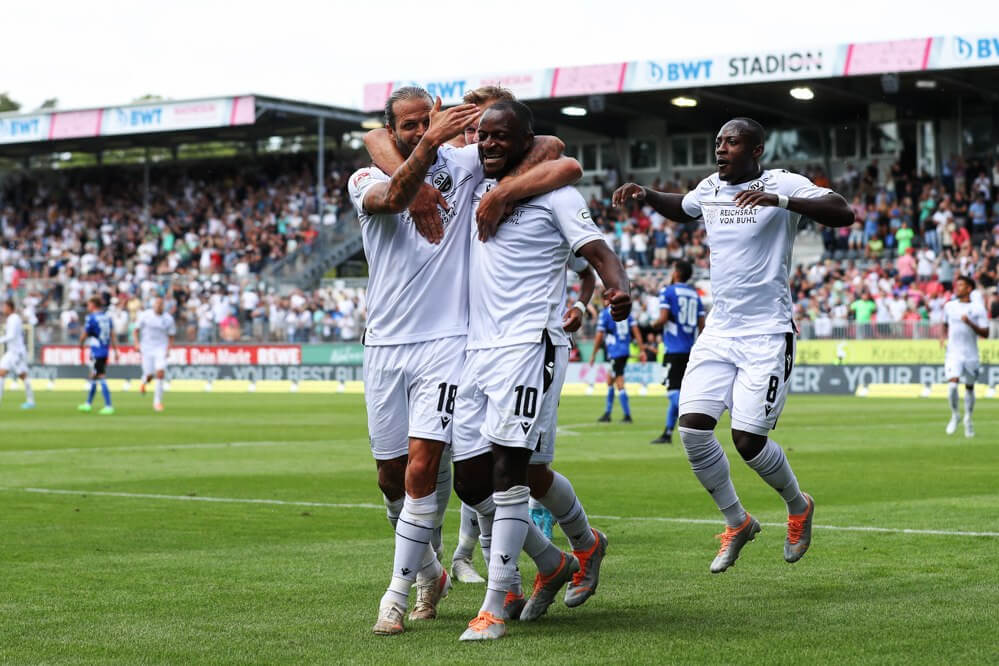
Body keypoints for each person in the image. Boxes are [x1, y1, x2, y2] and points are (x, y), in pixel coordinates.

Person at [355, 87, 583, 636]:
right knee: (393, 478)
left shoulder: (465, 162)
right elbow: (385, 182)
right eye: (404, 126)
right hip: (384, 344)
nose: (415, 132)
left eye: (423, 123)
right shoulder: (365, 177)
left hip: (450, 343)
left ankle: (395, 594)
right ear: (392, 131)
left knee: (424, 468)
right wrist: (421, 163)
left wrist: (502, 194)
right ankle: (448, 568)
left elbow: (557, 151)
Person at [613, 117, 853, 574]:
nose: (721, 149)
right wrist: (646, 195)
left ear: (756, 150)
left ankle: (798, 505)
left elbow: (843, 211)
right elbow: (682, 207)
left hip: (767, 332)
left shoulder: (783, 183)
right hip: (719, 331)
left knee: (747, 441)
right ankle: (737, 521)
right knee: (693, 429)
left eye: (732, 142)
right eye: (718, 141)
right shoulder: (709, 187)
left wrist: (779, 201)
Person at [451, 100, 630, 640]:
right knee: (474, 479)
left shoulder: (557, 194)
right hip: (478, 350)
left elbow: (596, 251)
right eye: (482, 135)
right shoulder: (476, 188)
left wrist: (617, 288)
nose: (488, 144)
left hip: (531, 344)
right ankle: (567, 554)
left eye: (500, 136)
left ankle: (495, 603)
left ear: (526, 141)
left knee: (509, 472)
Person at [650, 260, 705, 444]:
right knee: (678, 389)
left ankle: (694, 417)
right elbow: (702, 325)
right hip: (689, 349)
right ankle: (667, 433)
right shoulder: (695, 295)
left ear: (676, 272)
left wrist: (652, 324)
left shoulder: (668, 291)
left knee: (673, 392)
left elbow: (663, 318)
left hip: (673, 349)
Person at [941, 275, 989, 438]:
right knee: (952, 385)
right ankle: (955, 415)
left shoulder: (978, 309)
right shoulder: (949, 306)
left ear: (969, 289)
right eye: (957, 284)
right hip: (953, 353)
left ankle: (968, 418)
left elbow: (986, 332)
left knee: (969, 387)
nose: (957, 287)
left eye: (961, 285)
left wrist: (970, 323)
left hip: (971, 354)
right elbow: (944, 323)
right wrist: (942, 337)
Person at [588, 306, 645, 423]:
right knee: (610, 381)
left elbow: (599, 335)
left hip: (615, 351)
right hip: (623, 351)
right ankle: (608, 413)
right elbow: (636, 331)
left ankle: (626, 415)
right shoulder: (626, 311)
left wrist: (594, 353)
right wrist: (642, 349)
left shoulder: (605, 313)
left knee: (619, 381)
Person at [135, 297, 176, 412]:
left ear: (164, 305)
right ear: (153, 305)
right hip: (146, 348)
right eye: (157, 304)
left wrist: (169, 348)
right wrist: (137, 343)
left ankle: (157, 402)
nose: (159, 306)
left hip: (160, 348)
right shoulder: (145, 315)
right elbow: (136, 330)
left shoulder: (168, 319)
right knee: (149, 375)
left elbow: (171, 335)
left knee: (160, 372)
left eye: (161, 304)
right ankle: (144, 381)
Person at [78, 296, 116, 414]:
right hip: (104, 350)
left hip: (97, 350)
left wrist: (81, 344)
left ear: (94, 305)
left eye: (89, 304)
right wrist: (115, 350)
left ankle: (109, 405)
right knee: (94, 376)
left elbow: (85, 334)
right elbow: (112, 335)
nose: (88, 307)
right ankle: (88, 403)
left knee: (100, 376)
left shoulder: (92, 318)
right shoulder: (107, 317)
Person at [0, 300, 35, 409]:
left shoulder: (14, 318)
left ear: (10, 308)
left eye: (4, 307)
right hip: (11, 352)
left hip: (17, 352)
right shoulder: (11, 319)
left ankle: (31, 401)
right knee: (1, 373)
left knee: (23, 376)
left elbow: (11, 335)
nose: (3, 309)